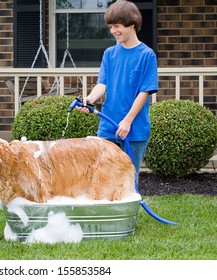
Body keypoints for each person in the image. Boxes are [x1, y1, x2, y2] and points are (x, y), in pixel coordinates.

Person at [76, 0, 158, 184]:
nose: (113, 31)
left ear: (132, 24)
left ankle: (129, 214)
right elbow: (102, 84)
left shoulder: (146, 55)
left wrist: (127, 121)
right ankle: (110, 213)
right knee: (103, 177)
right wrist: (89, 99)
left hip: (134, 129)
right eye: (110, 26)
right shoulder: (110, 54)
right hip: (108, 126)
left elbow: (144, 92)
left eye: (117, 26)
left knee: (128, 180)